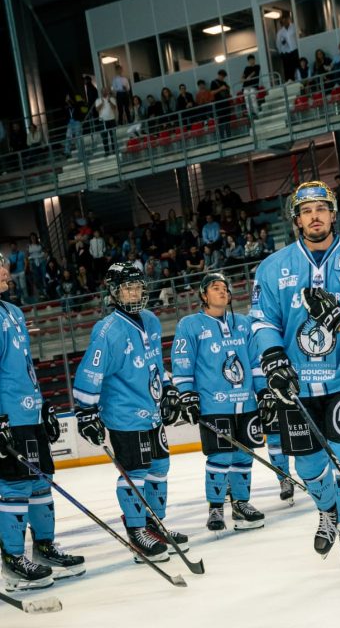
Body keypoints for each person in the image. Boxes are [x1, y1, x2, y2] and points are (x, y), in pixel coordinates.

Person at [249, 180, 340, 576]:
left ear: (333, 214)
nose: (315, 216)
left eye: (321, 209)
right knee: (309, 468)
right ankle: (327, 508)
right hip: (297, 385)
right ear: (296, 220)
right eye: (306, 211)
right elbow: (262, 321)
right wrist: (274, 358)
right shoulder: (273, 268)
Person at [72, 262, 187, 561]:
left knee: (159, 469)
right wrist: (86, 412)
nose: (135, 291)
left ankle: (154, 523)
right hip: (124, 414)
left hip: (151, 411)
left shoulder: (150, 320)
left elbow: (154, 364)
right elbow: (89, 374)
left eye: (138, 285)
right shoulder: (107, 330)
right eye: (128, 287)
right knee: (135, 473)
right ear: (114, 292)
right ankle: (137, 531)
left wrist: (169, 388)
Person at [0, 253, 86, 590]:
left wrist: (42, 404)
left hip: (28, 413)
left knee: (40, 481)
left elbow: (23, 368)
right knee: (15, 485)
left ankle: (45, 547)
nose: (5, 270)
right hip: (9, 417)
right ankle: (11, 558)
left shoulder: (14, 312)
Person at [172, 272, 265, 531]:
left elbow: (256, 363)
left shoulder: (244, 323)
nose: (223, 292)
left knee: (244, 456)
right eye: (216, 288)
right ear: (204, 295)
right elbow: (182, 364)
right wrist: (186, 394)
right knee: (220, 457)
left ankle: (241, 504)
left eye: (226, 287)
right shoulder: (190, 325)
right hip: (213, 404)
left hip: (246, 404)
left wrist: (264, 393)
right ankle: (215, 508)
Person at [276, 13, 299, 83]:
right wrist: (280, 53)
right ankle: (289, 84)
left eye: (286, 20)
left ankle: (298, 81)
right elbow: (278, 43)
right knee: (288, 70)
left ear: (289, 19)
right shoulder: (280, 32)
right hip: (286, 53)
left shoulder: (294, 27)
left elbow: (299, 35)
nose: (285, 22)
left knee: (297, 67)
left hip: (295, 50)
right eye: (284, 21)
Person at [94, 87, 117, 156]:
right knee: (104, 137)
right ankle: (107, 152)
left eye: (106, 91)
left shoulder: (112, 99)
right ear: (101, 93)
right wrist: (102, 103)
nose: (105, 92)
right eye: (103, 91)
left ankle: (114, 150)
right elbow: (97, 109)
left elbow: (114, 108)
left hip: (111, 120)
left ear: (107, 92)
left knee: (113, 136)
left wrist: (109, 101)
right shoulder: (98, 100)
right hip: (102, 121)